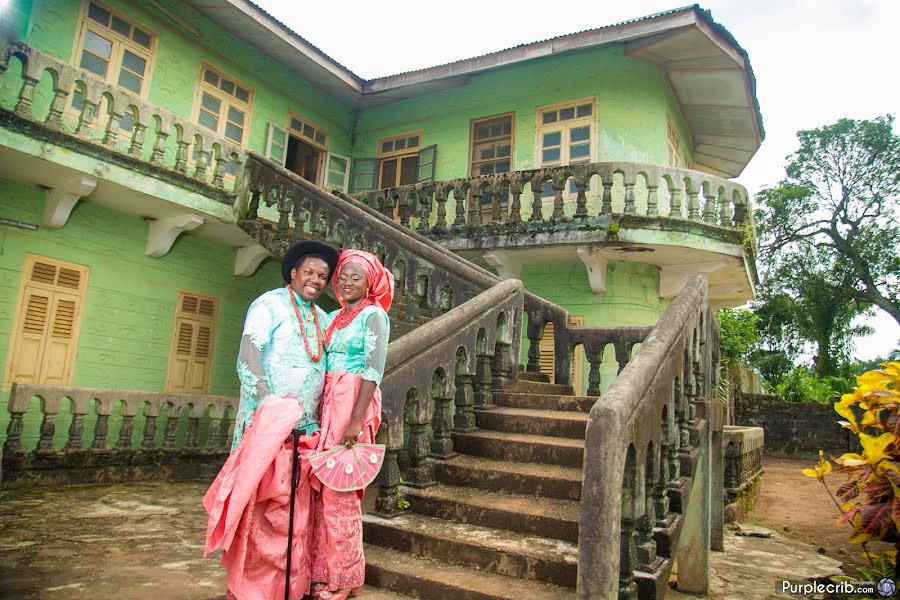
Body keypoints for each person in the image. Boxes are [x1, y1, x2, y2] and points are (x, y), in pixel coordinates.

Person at [203, 240, 339, 600]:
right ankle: (250, 590)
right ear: (293, 273)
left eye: (322, 276)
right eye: (308, 272)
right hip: (268, 429)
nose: (315, 280)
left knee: (295, 517)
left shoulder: (322, 318)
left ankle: (288, 587)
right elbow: (249, 355)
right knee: (261, 512)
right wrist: (269, 404)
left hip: (305, 433)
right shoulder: (268, 304)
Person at [310, 249, 393, 600]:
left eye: (354, 277)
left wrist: (356, 420)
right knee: (320, 491)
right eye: (342, 277)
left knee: (341, 493)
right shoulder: (334, 317)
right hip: (328, 400)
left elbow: (373, 370)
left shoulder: (374, 315)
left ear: (369, 282)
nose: (346, 283)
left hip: (353, 400)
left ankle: (345, 577)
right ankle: (321, 571)